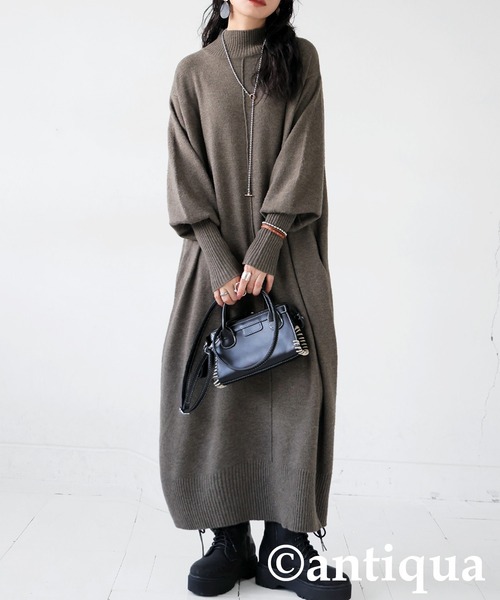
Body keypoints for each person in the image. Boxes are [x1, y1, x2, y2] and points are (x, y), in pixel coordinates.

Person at [159, 1, 351, 598]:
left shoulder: (300, 60)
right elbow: (185, 172)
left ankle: (287, 545)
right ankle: (229, 538)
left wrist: (267, 244)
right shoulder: (193, 72)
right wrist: (221, 260)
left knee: (298, 390)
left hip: (288, 256)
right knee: (216, 395)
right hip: (211, 265)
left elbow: (303, 155)